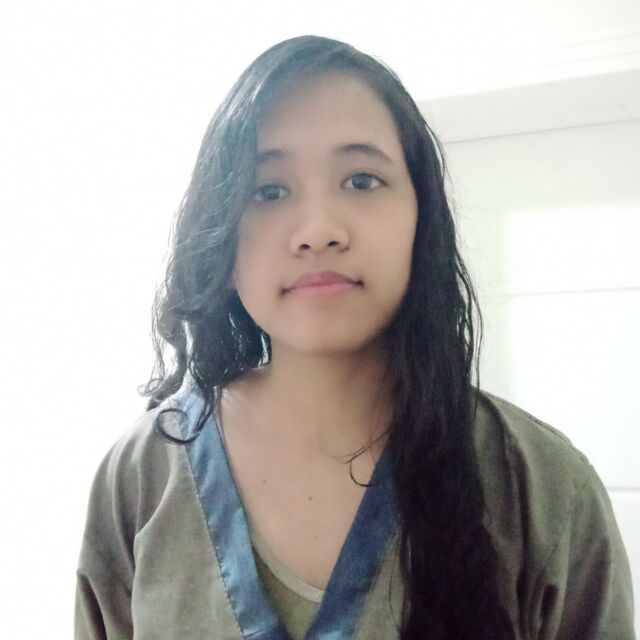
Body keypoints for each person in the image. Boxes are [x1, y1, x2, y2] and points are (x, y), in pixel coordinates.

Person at [74, 35, 635, 640]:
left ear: (422, 217)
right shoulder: (143, 476)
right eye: (268, 191)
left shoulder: (541, 486)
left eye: (362, 180)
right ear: (220, 235)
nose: (318, 230)